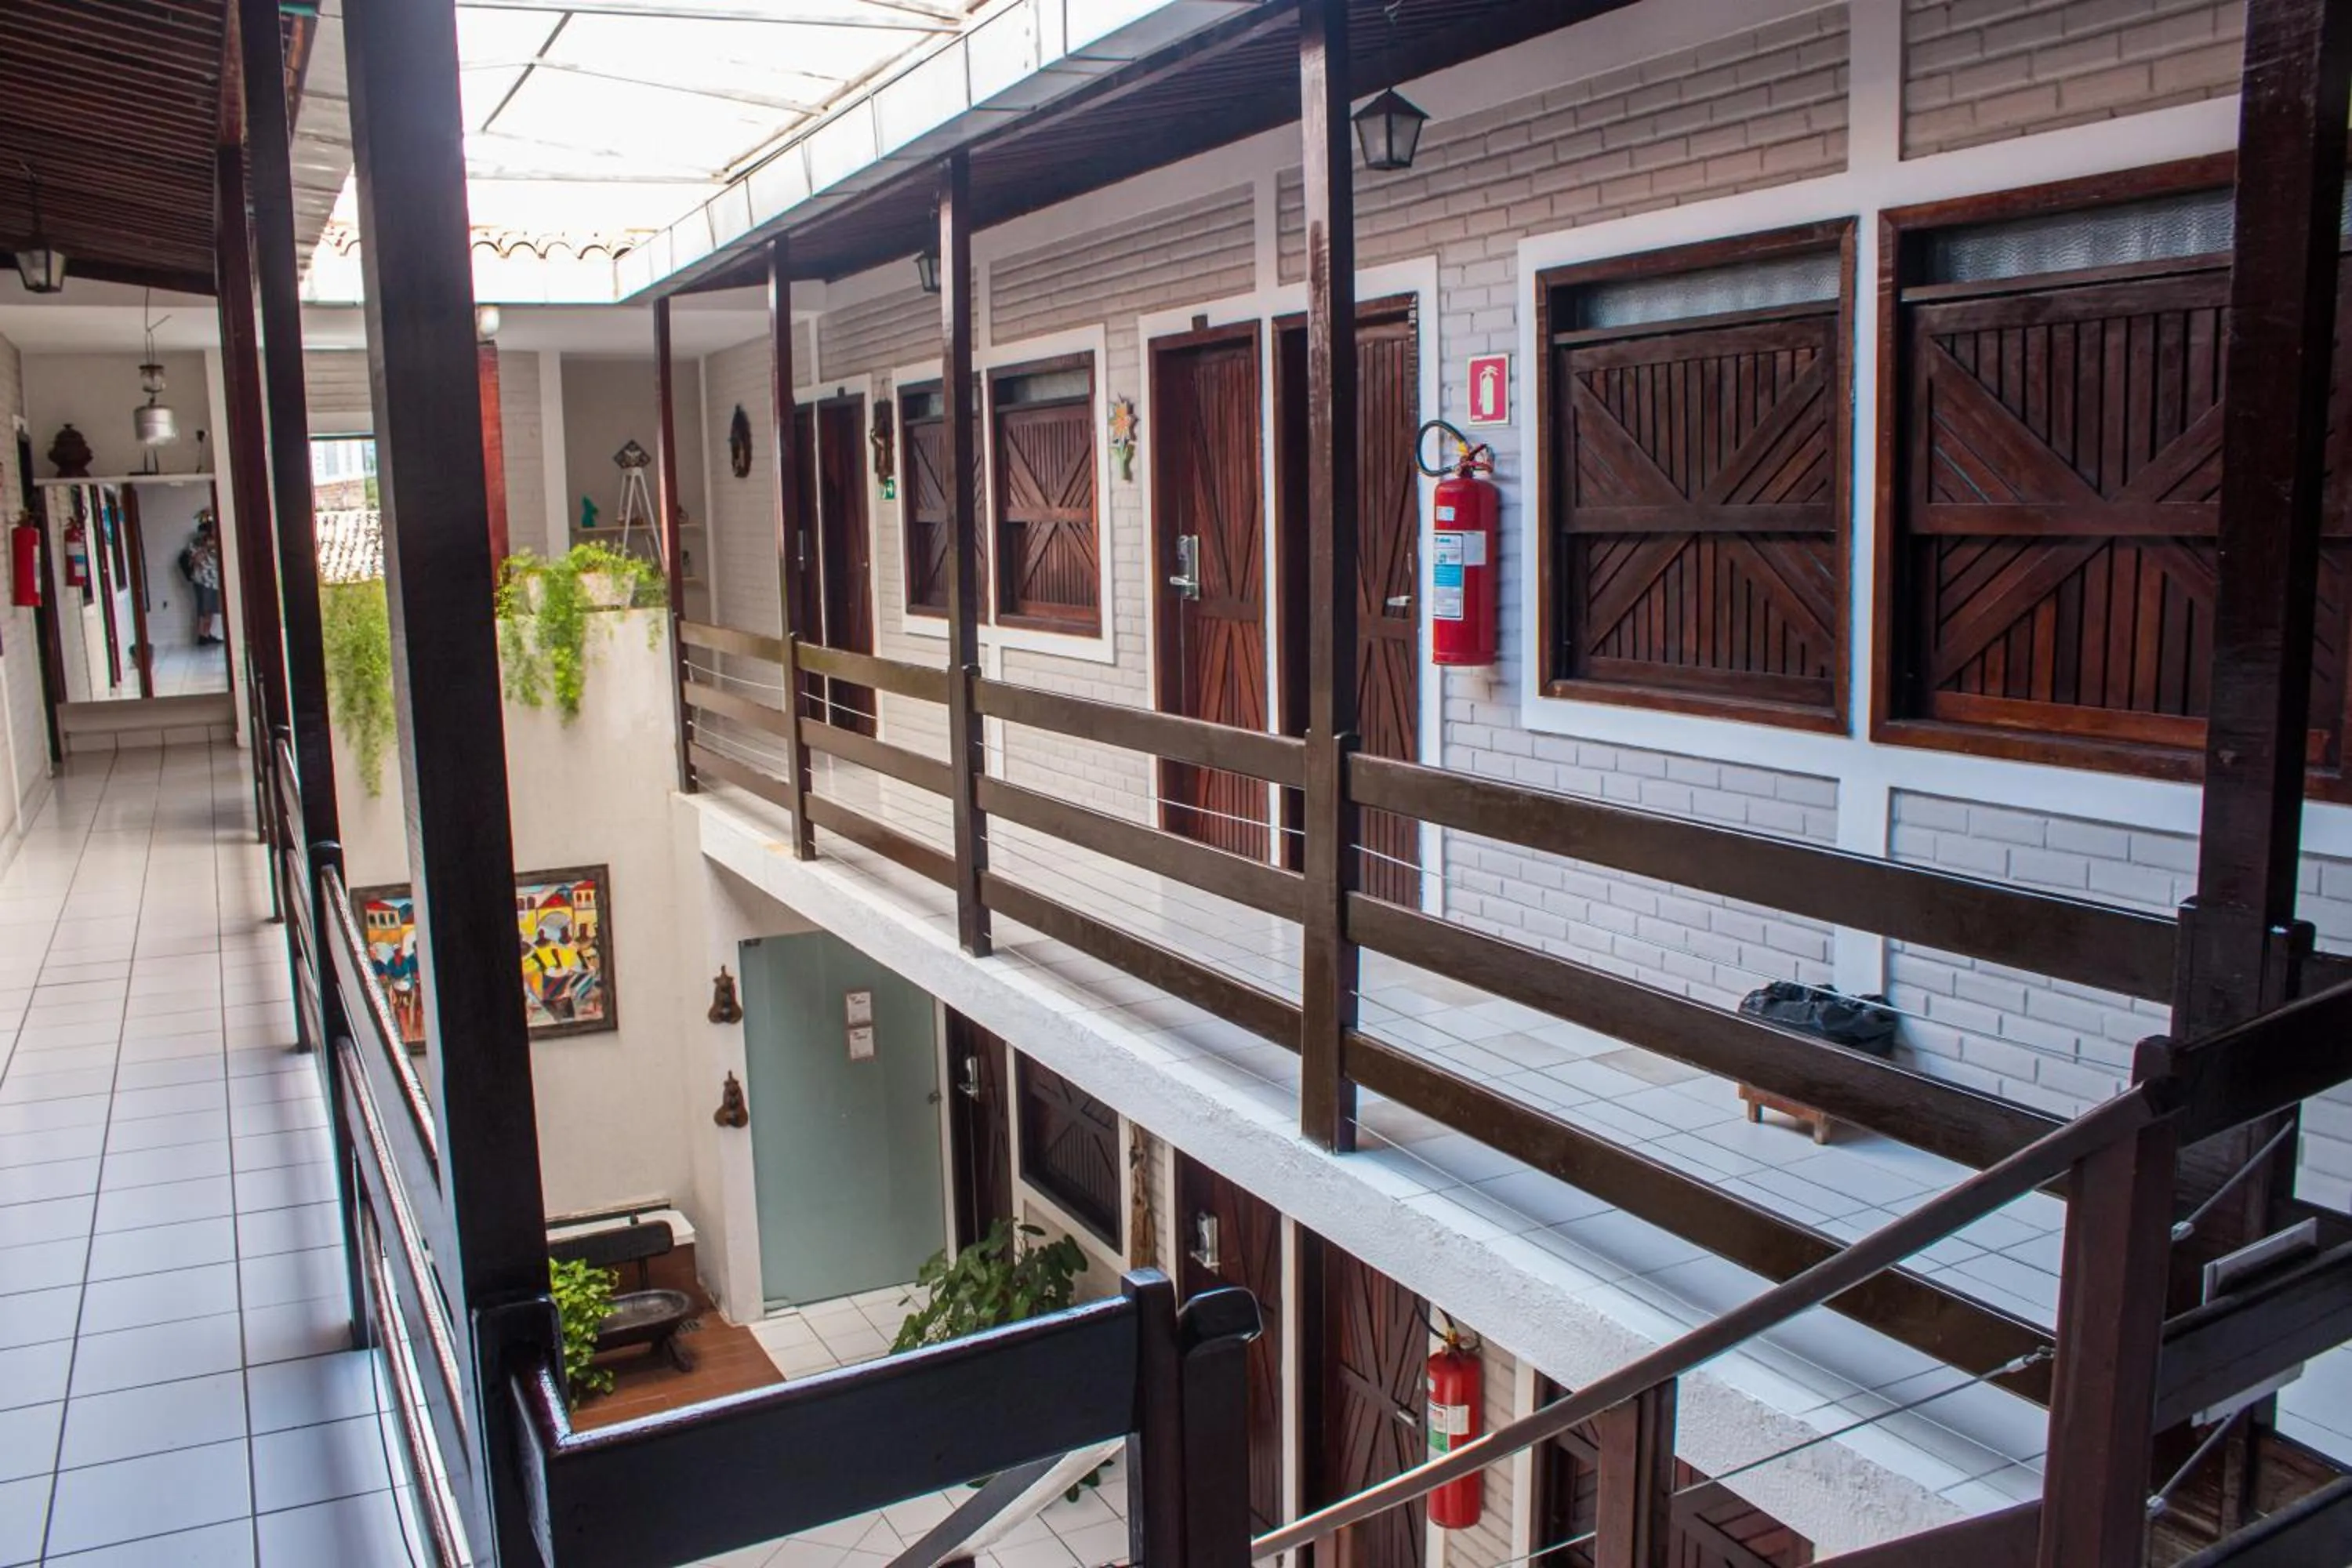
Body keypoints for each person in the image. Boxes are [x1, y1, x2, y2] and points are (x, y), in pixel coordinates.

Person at [179, 515, 224, 644]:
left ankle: (207, 634)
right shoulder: (196, 543)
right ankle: (202, 636)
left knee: (211, 609)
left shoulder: (218, 543)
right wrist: (205, 548)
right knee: (204, 608)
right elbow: (195, 560)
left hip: (214, 580)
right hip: (202, 580)